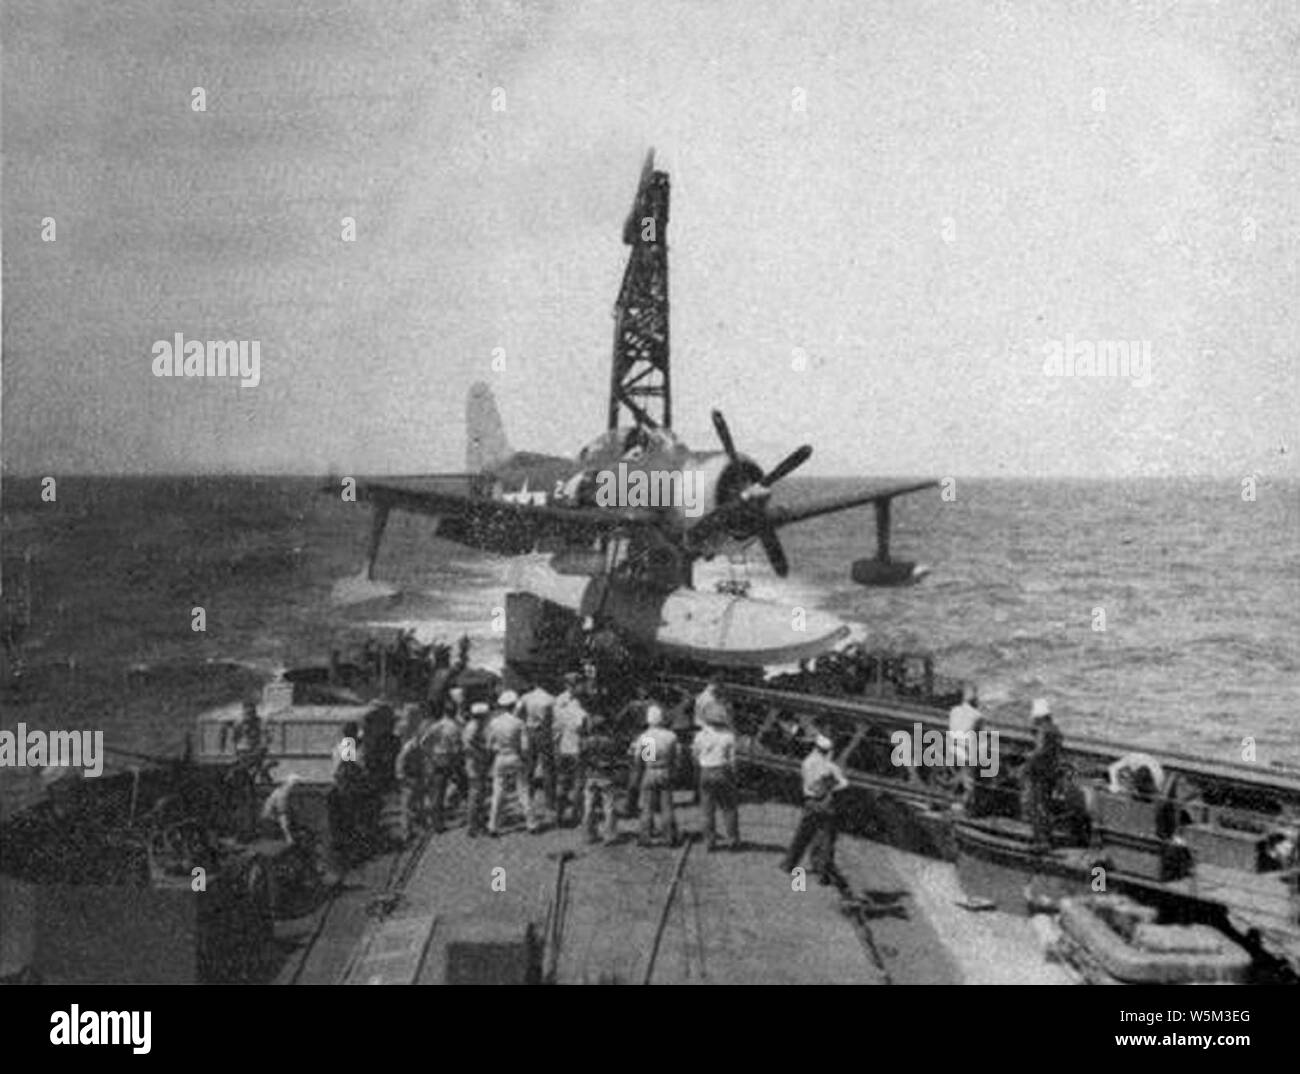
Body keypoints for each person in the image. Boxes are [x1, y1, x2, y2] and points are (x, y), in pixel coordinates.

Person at [781, 734, 849, 885]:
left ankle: (789, 864)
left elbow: (808, 781)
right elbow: (844, 783)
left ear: (815, 748)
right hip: (827, 803)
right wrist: (833, 786)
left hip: (811, 802)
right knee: (825, 839)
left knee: (802, 835)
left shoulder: (807, 762)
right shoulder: (832, 767)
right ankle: (822, 872)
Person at [487, 691, 536, 835]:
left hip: (500, 757)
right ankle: (531, 823)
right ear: (514, 705)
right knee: (523, 790)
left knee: (498, 792)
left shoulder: (494, 723)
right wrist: (526, 759)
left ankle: (492, 826)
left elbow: (489, 745)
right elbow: (525, 747)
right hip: (516, 756)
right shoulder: (519, 723)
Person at [693, 707, 739, 851]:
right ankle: (732, 839)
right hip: (722, 771)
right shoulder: (729, 736)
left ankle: (709, 841)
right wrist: (734, 776)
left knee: (707, 809)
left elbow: (694, 755)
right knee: (729, 808)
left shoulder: (700, 735)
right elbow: (733, 760)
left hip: (706, 771)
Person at [1020, 698, 1063, 850]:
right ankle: (1045, 838)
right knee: (1044, 805)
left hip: (1039, 773)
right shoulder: (1055, 729)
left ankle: (1041, 841)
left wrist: (1028, 756)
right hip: (1050, 772)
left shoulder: (1043, 730)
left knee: (1036, 806)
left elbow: (1040, 751)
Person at [634, 705, 678, 846]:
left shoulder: (646, 736)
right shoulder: (670, 736)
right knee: (667, 805)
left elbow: (642, 759)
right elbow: (676, 757)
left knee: (647, 806)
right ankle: (669, 836)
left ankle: (645, 836)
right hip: (665, 770)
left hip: (651, 770)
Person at [579, 710, 623, 845]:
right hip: (606, 776)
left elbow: (581, 758)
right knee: (609, 807)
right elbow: (615, 759)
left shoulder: (586, 742)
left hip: (591, 776)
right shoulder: (610, 742)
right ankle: (609, 835)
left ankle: (589, 835)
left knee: (589, 806)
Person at [552, 673, 588, 827]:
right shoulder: (569, 704)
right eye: (579, 684)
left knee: (566, 782)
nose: (582, 687)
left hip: (565, 747)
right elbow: (582, 726)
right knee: (575, 782)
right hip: (573, 748)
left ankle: (565, 815)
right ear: (570, 685)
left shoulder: (564, 702)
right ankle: (569, 814)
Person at [422, 702, 464, 833]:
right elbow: (458, 746)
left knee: (438, 792)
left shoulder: (436, 726)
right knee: (459, 786)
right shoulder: (455, 727)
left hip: (437, 759)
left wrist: (430, 755)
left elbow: (423, 742)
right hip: (451, 758)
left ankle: (437, 823)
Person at [518, 678, 556, 813]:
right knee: (548, 768)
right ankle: (550, 801)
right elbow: (553, 718)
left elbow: (518, 714)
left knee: (529, 766)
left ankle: (527, 797)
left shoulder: (526, 697)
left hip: (530, 731)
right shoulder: (551, 699)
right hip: (544, 732)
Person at [947, 682, 983, 810]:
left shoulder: (953, 711)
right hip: (968, 753)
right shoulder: (978, 716)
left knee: (959, 775)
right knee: (970, 781)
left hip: (953, 750)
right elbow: (979, 735)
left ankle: (951, 798)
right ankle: (967, 806)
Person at [461, 702, 492, 837]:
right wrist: (481, 753)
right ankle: (472, 826)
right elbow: (468, 745)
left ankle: (478, 822)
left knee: (479, 795)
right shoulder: (473, 727)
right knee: (475, 795)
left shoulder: (477, 725)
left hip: (478, 765)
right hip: (474, 765)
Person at [261, 773, 304, 845]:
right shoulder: (282, 794)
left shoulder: (286, 792)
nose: (298, 788)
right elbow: (282, 814)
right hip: (270, 820)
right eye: (297, 785)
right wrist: (288, 837)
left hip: (275, 818)